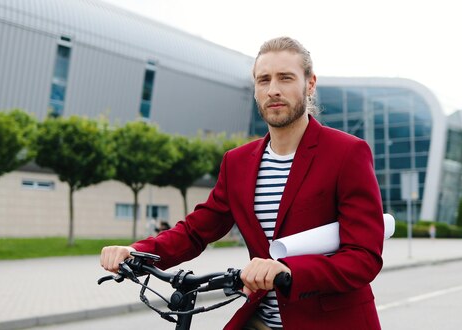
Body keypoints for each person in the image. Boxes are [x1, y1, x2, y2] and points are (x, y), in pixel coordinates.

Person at [101, 36, 384, 330]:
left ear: (310, 84)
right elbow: (196, 231)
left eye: (285, 78)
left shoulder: (346, 153)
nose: (273, 90)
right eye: (263, 80)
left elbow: (363, 258)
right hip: (262, 320)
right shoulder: (237, 163)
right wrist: (136, 251)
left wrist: (288, 270)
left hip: (333, 322)